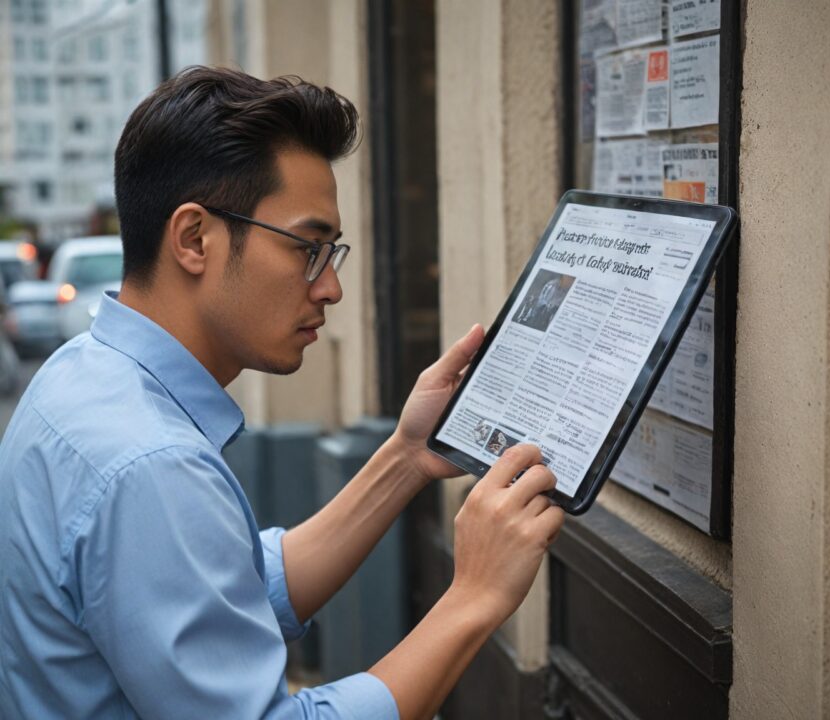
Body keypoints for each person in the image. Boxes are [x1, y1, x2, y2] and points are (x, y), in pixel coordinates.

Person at [0, 67, 564, 719]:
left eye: (333, 253)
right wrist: (476, 597)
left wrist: (406, 456)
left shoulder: (82, 374)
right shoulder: (150, 465)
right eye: (308, 248)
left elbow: (228, 589)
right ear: (193, 239)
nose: (331, 288)